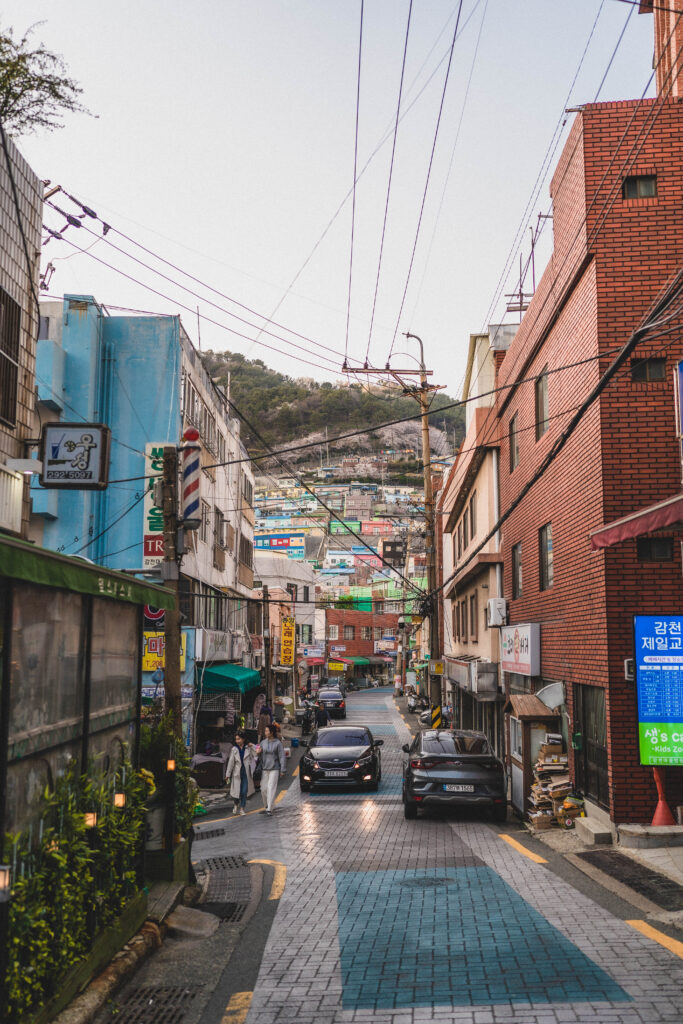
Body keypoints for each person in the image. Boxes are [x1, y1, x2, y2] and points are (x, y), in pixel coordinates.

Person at [225, 731, 257, 816]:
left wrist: (252, 745)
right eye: (236, 739)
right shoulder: (234, 749)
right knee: (236, 792)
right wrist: (228, 774)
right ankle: (236, 804)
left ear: (243, 739)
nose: (237, 741)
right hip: (237, 773)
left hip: (246, 773)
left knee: (244, 792)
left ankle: (242, 808)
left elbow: (257, 753)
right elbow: (231, 762)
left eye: (239, 739)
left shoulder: (248, 748)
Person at [259, 724, 287, 815]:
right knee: (263, 788)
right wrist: (258, 752)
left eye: (267, 731)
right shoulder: (263, 742)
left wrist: (283, 769)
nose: (265, 732)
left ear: (271, 732)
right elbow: (258, 752)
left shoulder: (278, 743)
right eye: (265, 731)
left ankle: (269, 809)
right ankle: (267, 805)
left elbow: (282, 756)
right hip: (265, 768)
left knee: (271, 787)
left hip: (275, 768)